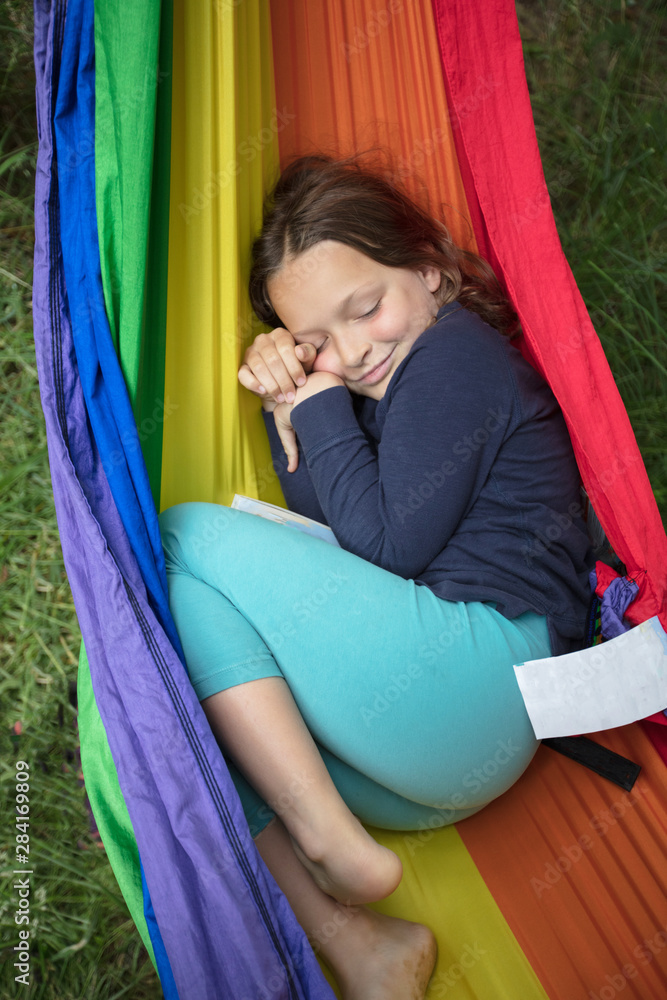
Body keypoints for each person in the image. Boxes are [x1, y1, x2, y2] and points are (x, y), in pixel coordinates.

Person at [158, 153, 593, 999]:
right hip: (416, 769)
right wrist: (296, 408)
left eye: (367, 309)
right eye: (317, 342)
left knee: (179, 536)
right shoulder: (376, 381)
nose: (353, 352)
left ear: (429, 269)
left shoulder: (455, 357)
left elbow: (383, 548)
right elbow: (335, 527)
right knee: (198, 712)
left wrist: (316, 397)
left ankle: (329, 844)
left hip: (479, 675)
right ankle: (363, 946)